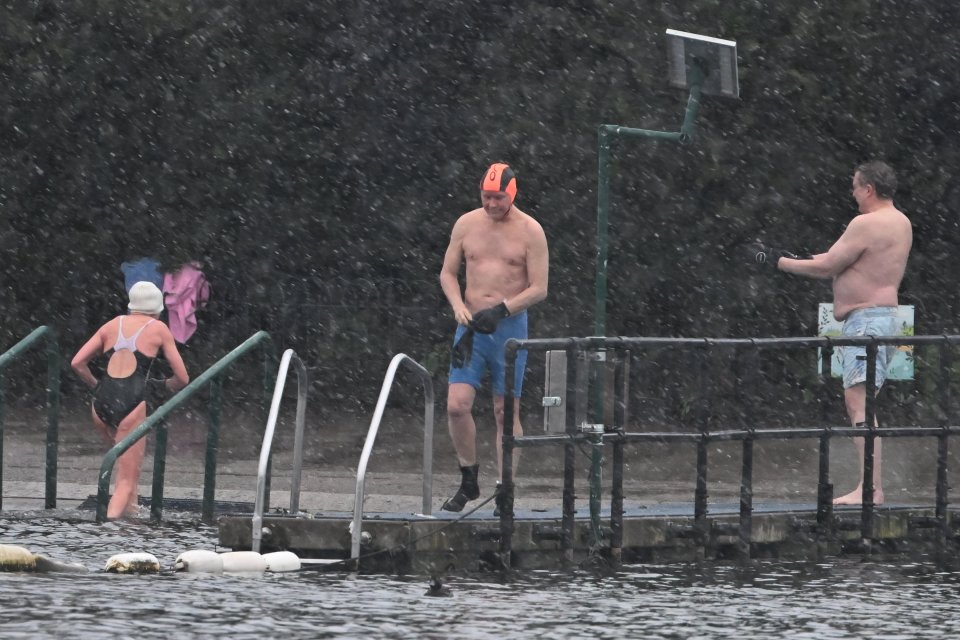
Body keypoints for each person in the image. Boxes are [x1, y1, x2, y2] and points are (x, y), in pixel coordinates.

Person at [752, 160, 912, 505]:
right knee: (862, 402)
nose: (852, 193)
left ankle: (870, 489)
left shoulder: (866, 222)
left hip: (867, 321)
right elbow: (839, 257)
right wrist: (792, 256)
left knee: (859, 403)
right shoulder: (900, 221)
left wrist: (776, 262)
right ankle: (871, 486)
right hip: (882, 318)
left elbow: (828, 266)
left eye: (855, 186)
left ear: (868, 188)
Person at [438, 162, 549, 512]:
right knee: (457, 405)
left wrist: (502, 310)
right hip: (470, 327)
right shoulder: (466, 224)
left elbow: (540, 289)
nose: (492, 205)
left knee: (505, 410)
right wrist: (457, 305)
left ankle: (505, 487)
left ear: (512, 193)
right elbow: (447, 273)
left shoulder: (531, 230)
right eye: (486, 197)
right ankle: (469, 479)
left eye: (498, 197)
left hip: (508, 329)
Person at [71, 281, 190, 519]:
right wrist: (162, 386)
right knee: (127, 478)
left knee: (126, 470)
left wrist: (98, 386)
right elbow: (183, 378)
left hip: (100, 404)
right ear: (158, 308)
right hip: (131, 403)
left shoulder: (112, 324)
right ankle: (108, 529)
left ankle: (131, 522)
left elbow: (77, 363)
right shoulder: (158, 329)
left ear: (131, 306)